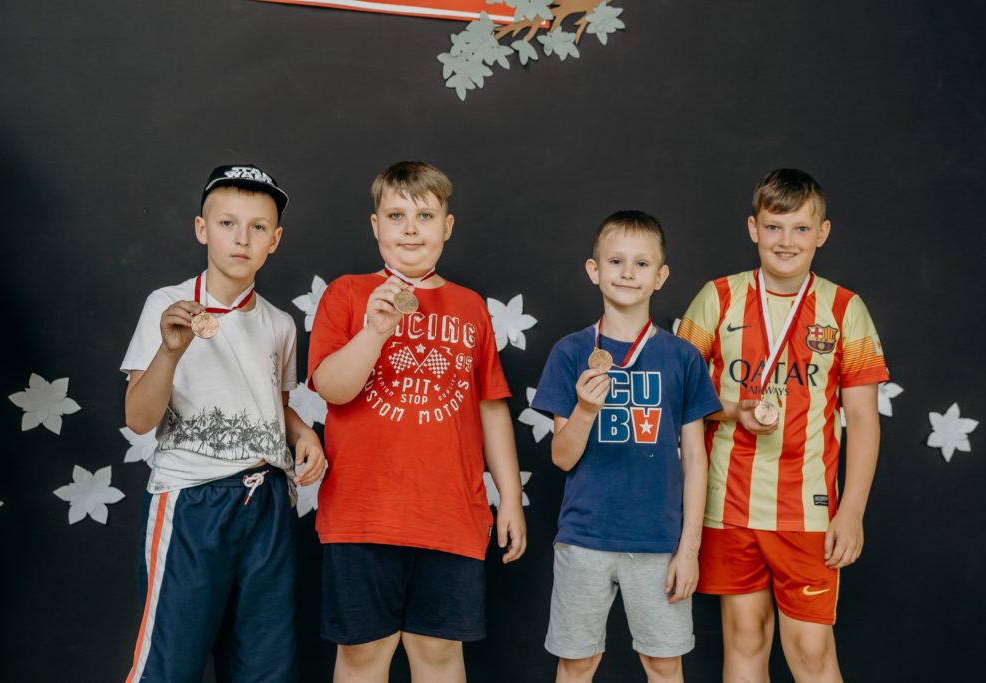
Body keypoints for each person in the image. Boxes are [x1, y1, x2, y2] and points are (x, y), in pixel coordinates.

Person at [307, 160, 527, 682]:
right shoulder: (347, 293)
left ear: (446, 227)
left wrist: (511, 498)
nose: (410, 229)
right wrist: (375, 331)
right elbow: (333, 388)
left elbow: (491, 407)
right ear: (375, 225)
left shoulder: (469, 307)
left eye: (425, 216)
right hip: (362, 512)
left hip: (450, 512)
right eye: (396, 216)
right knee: (362, 655)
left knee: (439, 654)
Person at [676, 168, 889, 682]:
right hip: (728, 503)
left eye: (800, 228)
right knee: (745, 639)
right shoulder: (717, 297)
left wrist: (852, 510)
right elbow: (678, 396)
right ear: (754, 228)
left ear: (822, 233)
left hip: (808, 512)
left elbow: (863, 419)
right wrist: (734, 410)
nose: (785, 241)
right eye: (773, 227)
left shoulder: (845, 308)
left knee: (811, 652)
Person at [122, 164, 325, 682]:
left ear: (274, 240)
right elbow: (138, 418)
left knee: (265, 665)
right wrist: (170, 352)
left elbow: (271, 404)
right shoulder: (166, 305)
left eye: (258, 227)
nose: (241, 238)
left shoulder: (280, 324)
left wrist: (304, 434)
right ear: (201, 228)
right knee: (171, 661)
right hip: (192, 499)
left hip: (267, 503)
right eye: (227, 223)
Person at [531, 210, 722, 683]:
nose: (628, 273)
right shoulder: (571, 352)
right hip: (585, 537)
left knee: (664, 663)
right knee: (577, 662)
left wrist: (689, 549)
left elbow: (696, 459)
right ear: (594, 270)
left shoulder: (682, 357)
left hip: (659, 541)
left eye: (642, 263)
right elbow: (562, 457)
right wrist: (585, 410)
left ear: (661, 276)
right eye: (616, 261)